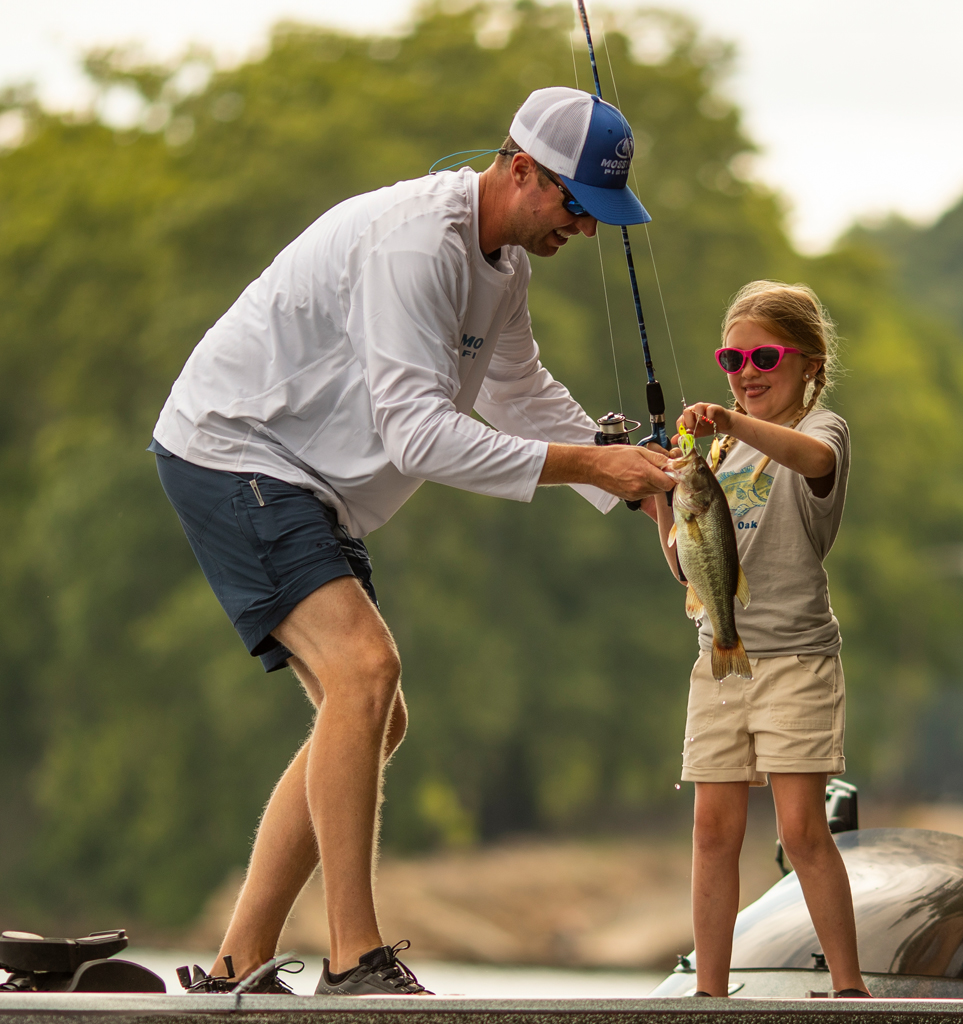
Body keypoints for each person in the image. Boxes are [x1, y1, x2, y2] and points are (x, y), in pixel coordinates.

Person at [149, 86, 674, 996]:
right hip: (234, 447)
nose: (586, 230)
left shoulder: (504, 266)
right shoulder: (415, 245)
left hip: (306, 479)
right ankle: (354, 960)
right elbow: (419, 437)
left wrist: (629, 474)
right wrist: (593, 471)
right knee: (365, 671)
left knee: (375, 716)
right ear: (520, 170)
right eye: (578, 205)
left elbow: (519, 391)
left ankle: (236, 965)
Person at [650, 281, 869, 998]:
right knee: (713, 831)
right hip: (718, 659)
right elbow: (689, 560)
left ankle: (848, 990)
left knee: (804, 828)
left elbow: (810, 461)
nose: (746, 372)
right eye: (731, 358)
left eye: (765, 356)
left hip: (798, 661)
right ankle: (709, 993)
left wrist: (731, 427)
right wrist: (662, 495)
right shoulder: (715, 458)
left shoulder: (820, 431)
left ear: (809, 362)